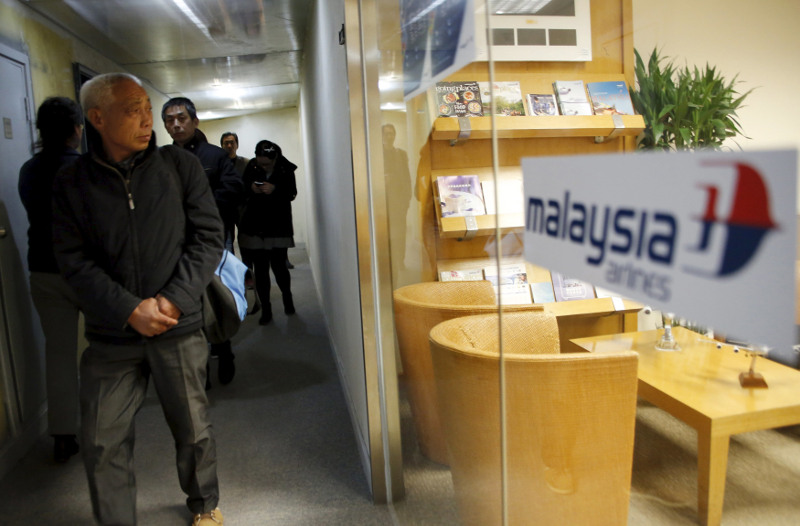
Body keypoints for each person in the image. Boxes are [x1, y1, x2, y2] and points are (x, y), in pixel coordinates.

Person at [51, 72, 225, 526]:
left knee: (193, 429)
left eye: (149, 107)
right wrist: (129, 308)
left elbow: (208, 239)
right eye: (133, 110)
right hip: (112, 335)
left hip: (177, 325)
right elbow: (73, 260)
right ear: (97, 118)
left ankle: (205, 506)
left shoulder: (179, 167)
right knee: (101, 439)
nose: (148, 119)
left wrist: (172, 301)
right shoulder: (72, 182)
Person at [17, 97, 85, 463]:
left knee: (58, 354)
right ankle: (103, 423)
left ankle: (62, 434)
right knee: (103, 351)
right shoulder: (85, 169)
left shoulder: (29, 170)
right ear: (76, 128)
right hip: (87, 274)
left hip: (43, 270)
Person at [162, 97, 242, 385]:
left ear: (194, 121)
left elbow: (233, 186)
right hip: (176, 244)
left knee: (218, 298)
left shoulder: (214, 156)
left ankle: (225, 350)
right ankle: (201, 365)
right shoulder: (162, 158)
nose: (176, 124)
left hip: (212, 240)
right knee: (188, 301)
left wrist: (200, 206)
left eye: (181, 118)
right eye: (170, 120)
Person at [238, 140, 298, 324]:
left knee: (279, 266)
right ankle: (266, 309)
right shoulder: (252, 166)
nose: (262, 166)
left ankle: (287, 297)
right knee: (261, 270)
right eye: (260, 162)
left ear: (275, 158)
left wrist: (275, 189)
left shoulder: (285, 168)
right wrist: (252, 188)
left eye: (266, 163)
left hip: (278, 225)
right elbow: (241, 187)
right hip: (255, 225)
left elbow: (292, 193)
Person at [382, 123, 412, 285]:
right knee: (385, 232)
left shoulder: (401, 154)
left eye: (391, 133)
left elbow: (407, 177)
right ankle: (388, 260)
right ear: (381, 136)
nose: (389, 136)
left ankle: (400, 259)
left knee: (400, 232)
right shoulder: (377, 155)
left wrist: (407, 197)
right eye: (386, 134)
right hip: (383, 201)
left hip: (399, 201)